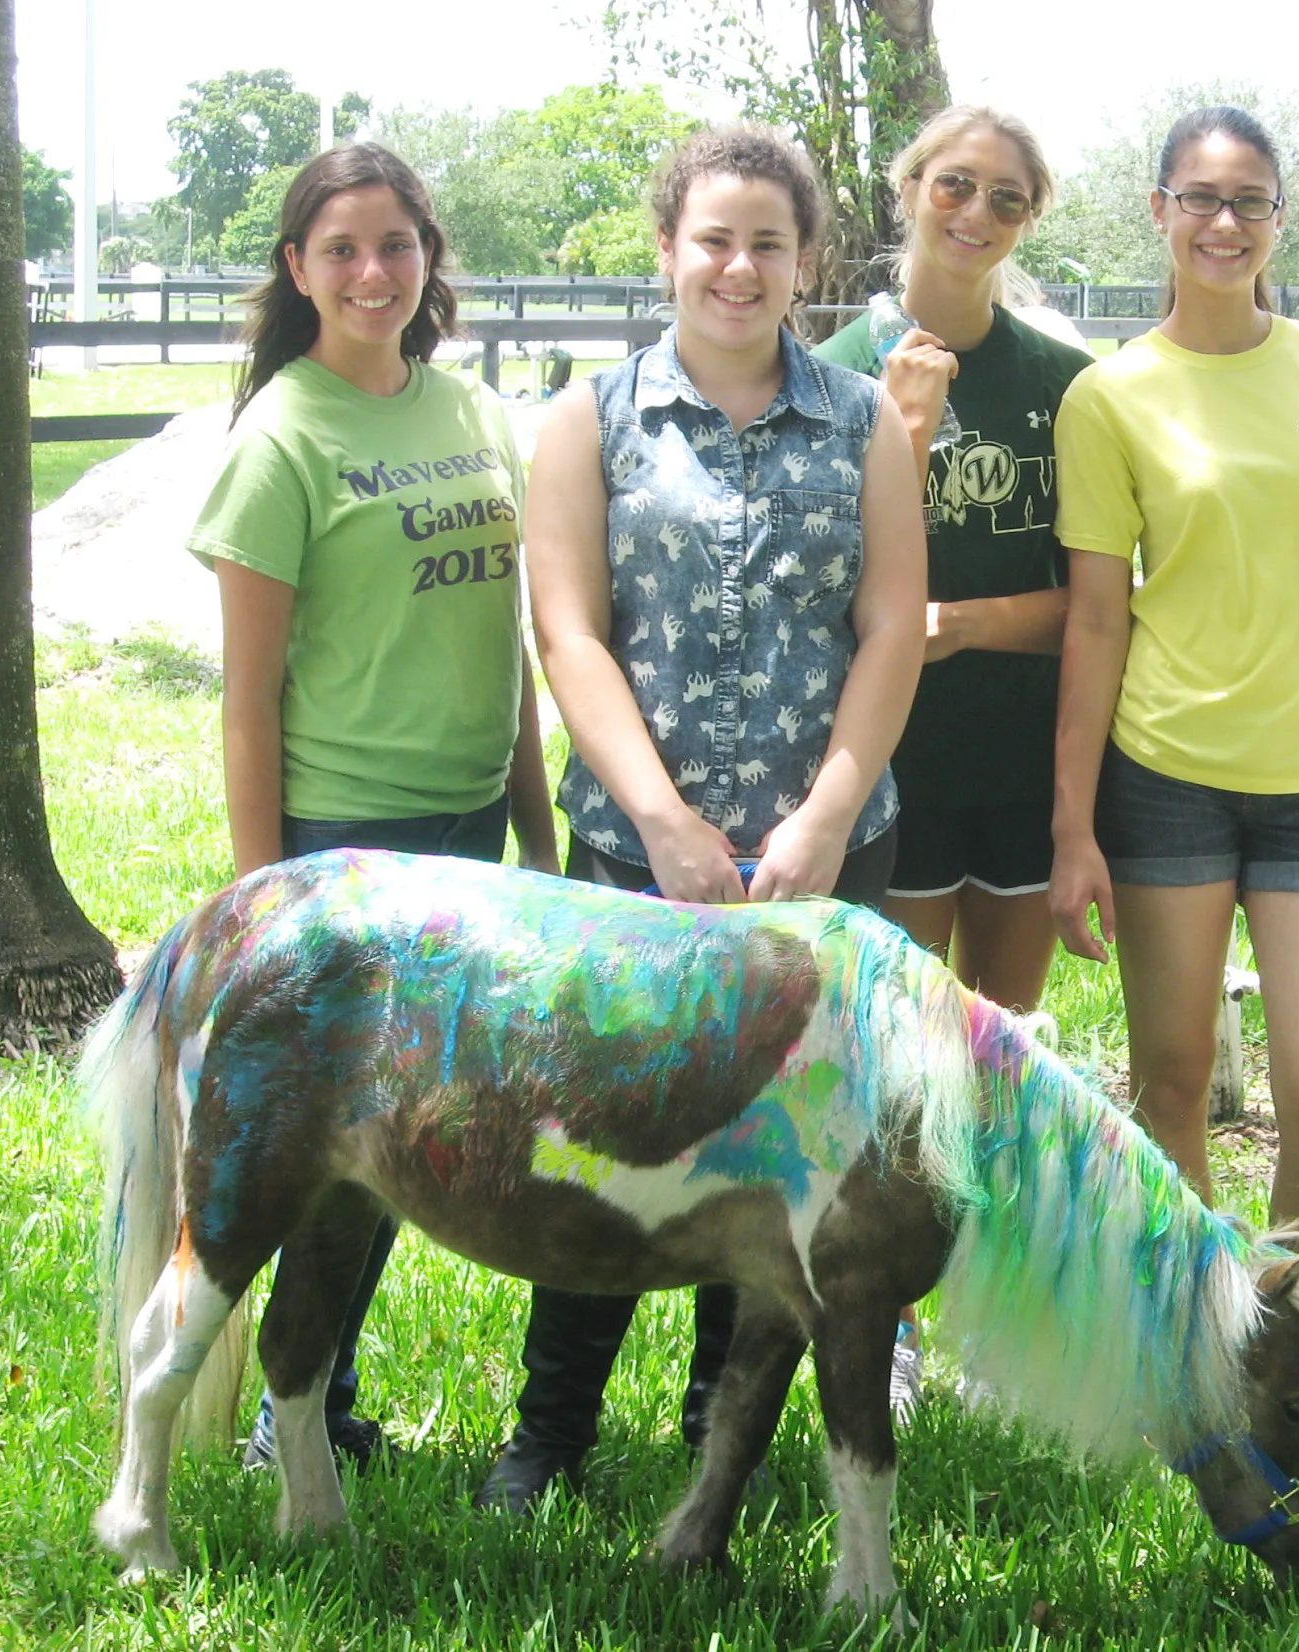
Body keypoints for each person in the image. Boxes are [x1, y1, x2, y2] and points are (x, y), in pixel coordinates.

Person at [476, 123, 926, 1511]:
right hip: (637, 857)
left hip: (821, 855)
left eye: (767, 244)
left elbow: (890, 626)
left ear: (806, 263)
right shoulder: (591, 418)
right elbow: (570, 632)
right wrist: (661, 818)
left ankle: (719, 1429)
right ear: (668, 248)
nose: (739, 267)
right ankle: (550, 1431)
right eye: (713, 239)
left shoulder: (864, 423)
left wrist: (825, 816)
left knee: (778, 1151)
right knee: (607, 1143)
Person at [187, 142, 560, 1472]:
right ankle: (282, 1416)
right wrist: (265, 903)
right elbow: (247, 700)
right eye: (339, 249)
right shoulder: (280, 438)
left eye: (394, 243)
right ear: (297, 269)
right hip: (340, 846)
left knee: (399, 1146)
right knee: (322, 1152)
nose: (370, 272)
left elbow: (505, 643)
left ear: (427, 257)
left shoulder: (474, 414)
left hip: (466, 832)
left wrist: (535, 829)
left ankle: (319, 1396)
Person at [1049, 105, 1299, 1226]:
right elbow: (1095, 621)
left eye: (1248, 202)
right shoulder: (1108, 396)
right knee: (1172, 1082)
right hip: (1166, 773)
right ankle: (1191, 1321)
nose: (1223, 224)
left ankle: (1288, 1310)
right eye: (1199, 199)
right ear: (1159, 210)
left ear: (1279, 216)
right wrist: (1073, 826)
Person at [813, 104, 1093, 1417]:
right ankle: (896, 1317)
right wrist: (902, 430)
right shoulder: (835, 369)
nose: (975, 214)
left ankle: (989, 1304)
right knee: (903, 1060)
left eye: (1006, 197)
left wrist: (963, 623)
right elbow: (827, 586)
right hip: (895, 770)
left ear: (1030, 219)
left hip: (1021, 761)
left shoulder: (1062, 381)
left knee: (999, 1049)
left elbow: (1099, 602)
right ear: (907, 189)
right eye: (953, 186)